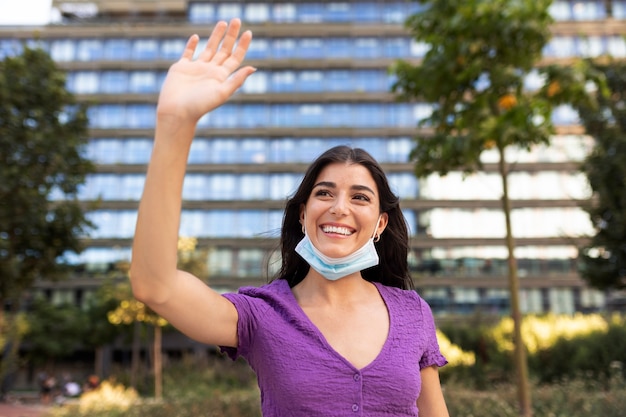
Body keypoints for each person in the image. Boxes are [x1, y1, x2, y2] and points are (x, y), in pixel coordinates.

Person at [130, 18, 450, 417]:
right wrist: (175, 125)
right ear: (303, 214)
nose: (339, 208)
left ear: (380, 223)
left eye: (360, 197)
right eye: (324, 193)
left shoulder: (412, 312)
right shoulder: (262, 315)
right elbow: (155, 287)